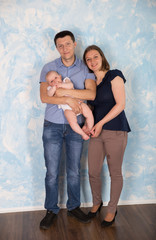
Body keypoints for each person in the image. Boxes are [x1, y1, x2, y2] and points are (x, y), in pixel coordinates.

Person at [39, 31, 96, 229]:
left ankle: (73, 207)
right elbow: (45, 98)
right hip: (52, 126)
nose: (65, 48)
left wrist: (63, 92)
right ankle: (51, 210)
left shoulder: (85, 67)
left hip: (76, 126)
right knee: (52, 172)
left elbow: (91, 93)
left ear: (74, 44)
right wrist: (69, 99)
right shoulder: (49, 68)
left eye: (68, 44)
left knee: (74, 170)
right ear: (57, 48)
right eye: (60, 45)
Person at [83, 45, 131, 227]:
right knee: (93, 171)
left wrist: (101, 123)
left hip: (116, 130)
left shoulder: (114, 75)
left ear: (102, 57)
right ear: (86, 63)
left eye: (95, 57)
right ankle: (97, 203)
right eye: (88, 59)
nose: (92, 61)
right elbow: (92, 109)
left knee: (114, 172)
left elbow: (120, 104)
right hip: (96, 132)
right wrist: (87, 125)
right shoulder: (90, 82)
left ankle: (112, 210)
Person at [46, 70, 94, 140]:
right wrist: (53, 88)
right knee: (72, 122)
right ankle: (82, 134)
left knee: (89, 113)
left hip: (78, 103)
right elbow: (49, 95)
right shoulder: (51, 88)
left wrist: (61, 85)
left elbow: (70, 85)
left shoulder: (66, 80)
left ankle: (89, 129)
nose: (55, 81)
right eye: (51, 81)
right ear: (49, 84)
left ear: (60, 76)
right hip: (67, 109)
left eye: (56, 78)